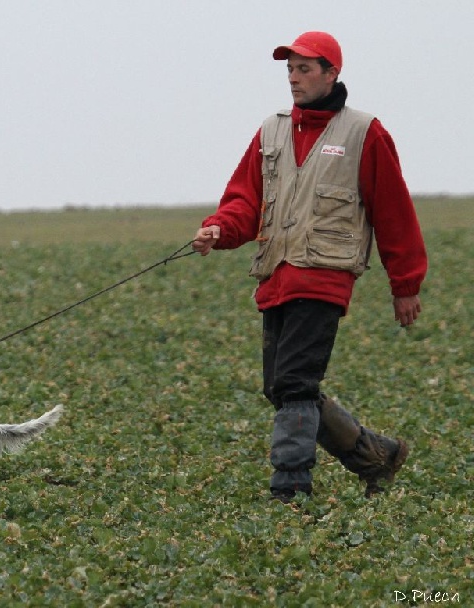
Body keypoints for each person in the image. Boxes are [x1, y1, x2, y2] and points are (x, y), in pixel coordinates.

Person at [192, 31, 427, 503]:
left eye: (305, 69)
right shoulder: (272, 130)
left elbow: (393, 211)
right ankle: (376, 455)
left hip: (324, 276)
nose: (294, 79)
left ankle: (290, 490)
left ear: (332, 73)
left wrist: (405, 284)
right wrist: (219, 229)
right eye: (290, 70)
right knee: (280, 388)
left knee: (296, 384)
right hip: (276, 275)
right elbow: (244, 200)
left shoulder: (365, 132)